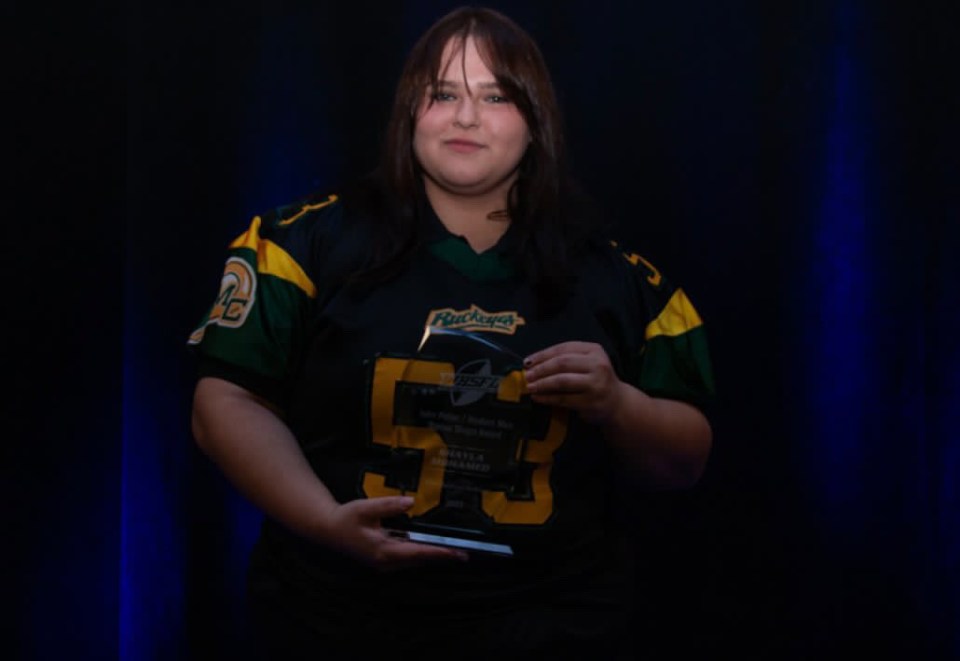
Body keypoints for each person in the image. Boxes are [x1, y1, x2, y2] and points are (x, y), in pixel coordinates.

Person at [188, 6, 714, 660]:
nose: (465, 117)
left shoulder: (622, 281)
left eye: (495, 97)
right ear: (409, 111)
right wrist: (323, 519)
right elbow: (223, 404)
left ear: (537, 122)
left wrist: (617, 403)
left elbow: (685, 461)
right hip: (335, 619)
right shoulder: (298, 245)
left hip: (551, 625)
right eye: (443, 94)